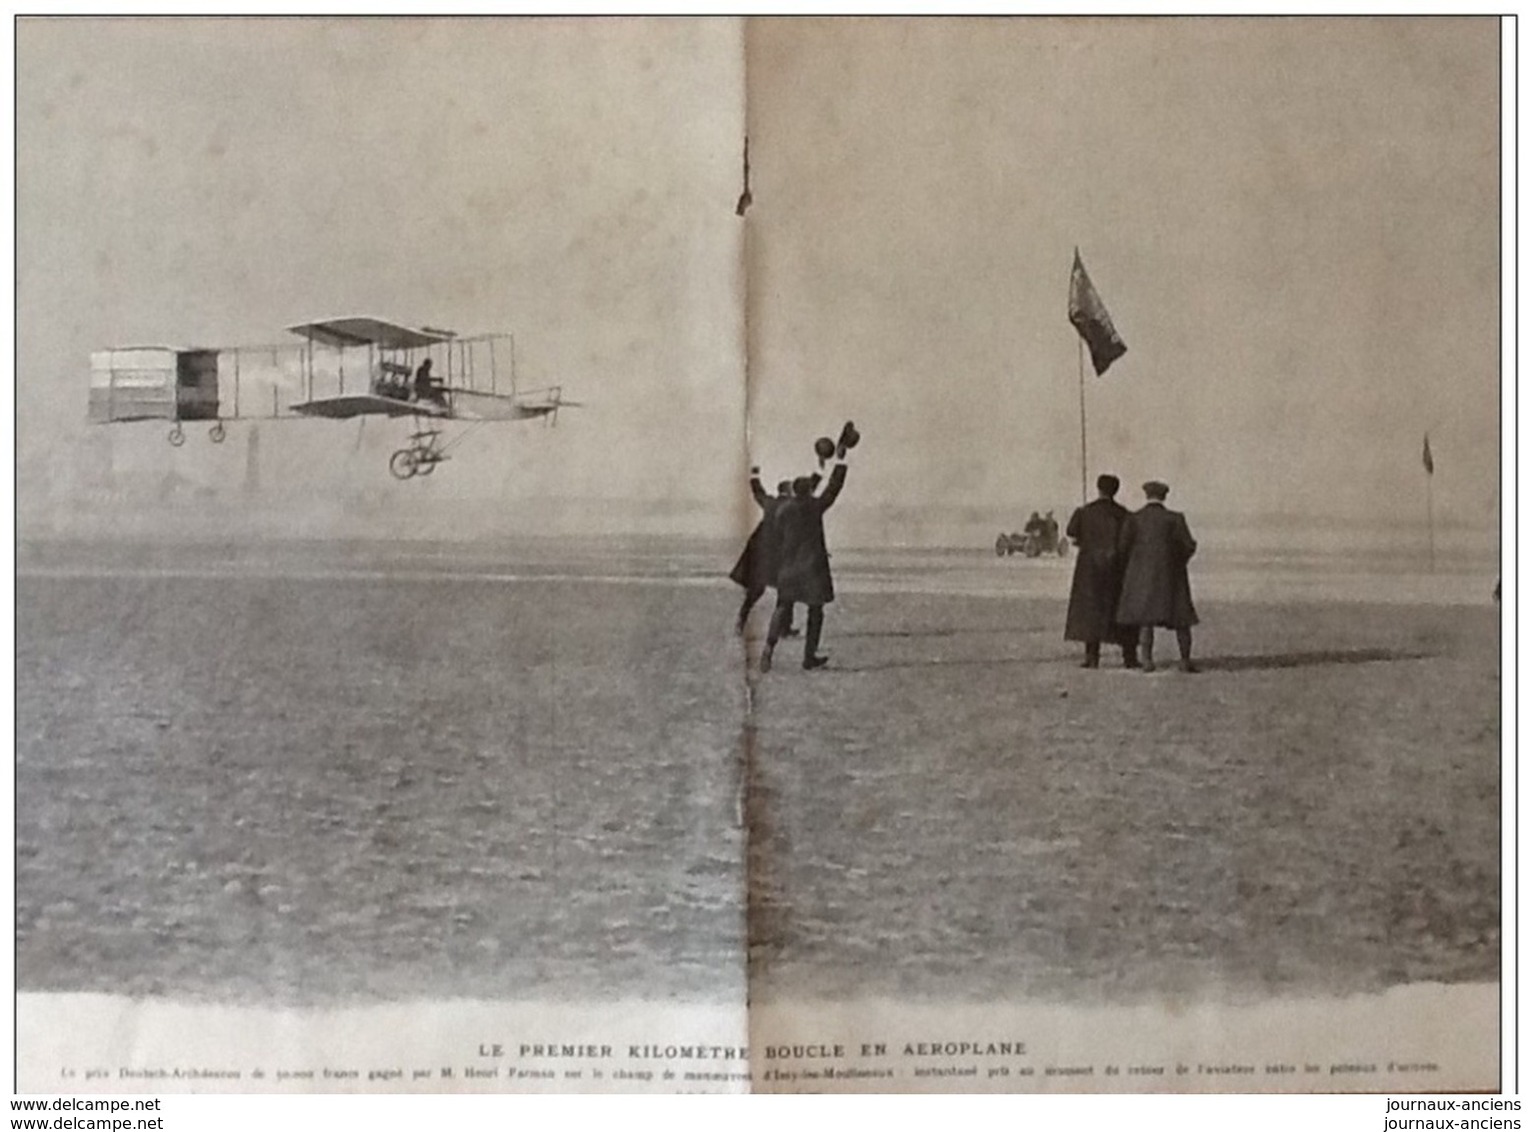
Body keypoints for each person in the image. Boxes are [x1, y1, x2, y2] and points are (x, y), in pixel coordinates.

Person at [762, 426, 855, 672]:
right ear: (809, 491)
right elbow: (833, 487)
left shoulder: (783, 510)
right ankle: (808, 657)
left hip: (788, 568)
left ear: (794, 491)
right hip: (811, 568)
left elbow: (812, 486)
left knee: (782, 608)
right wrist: (840, 460)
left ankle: (768, 650)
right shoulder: (815, 507)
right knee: (816, 611)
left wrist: (822, 463)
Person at [1116, 480, 1199, 673]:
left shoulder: (1135, 518)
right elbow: (1189, 545)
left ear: (1146, 495)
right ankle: (1185, 661)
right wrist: (1177, 562)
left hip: (1142, 577)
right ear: (1164, 496)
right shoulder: (1175, 518)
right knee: (1181, 620)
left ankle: (1147, 661)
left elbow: (1123, 547)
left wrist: (1135, 565)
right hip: (1172, 576)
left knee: (1146, 619)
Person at [1064, 474, 1139, 669]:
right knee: (1120, 611)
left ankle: (1092, 657)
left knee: (1090, 611)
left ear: (1098, 488)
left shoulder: (1084, 512)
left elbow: (1071, 532)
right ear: (1116, 490)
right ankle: (1129, 657)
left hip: (1089, 569)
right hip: (1116, 568)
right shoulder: (1124, 514)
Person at [729, 470, 797, 637]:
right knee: (787, 592)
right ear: (789, 491)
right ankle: (784, 628)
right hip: (781, 555)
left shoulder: (769, 503)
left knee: (754, 592)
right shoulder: (793, 505)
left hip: (762, 555)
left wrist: (754, 475)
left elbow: (757, 492)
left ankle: (740, 622)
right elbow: (811, 489)